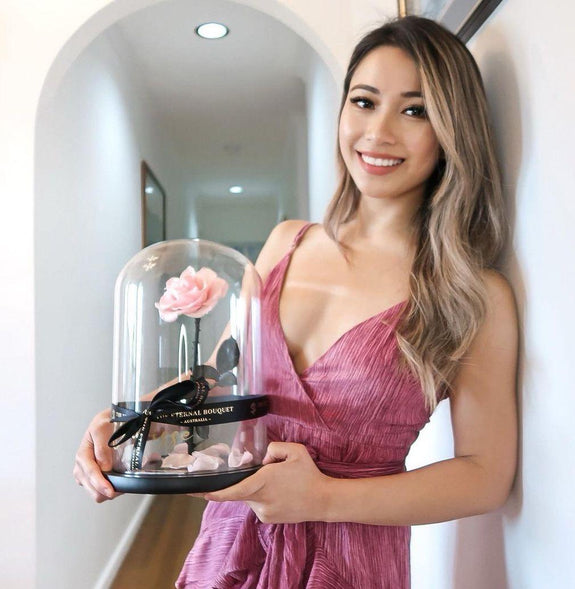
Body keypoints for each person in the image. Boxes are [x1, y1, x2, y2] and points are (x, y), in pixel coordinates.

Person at [74, 15, 518, 589]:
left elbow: (485, 475)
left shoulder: (472, 293)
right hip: (234, 536)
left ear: (453, 129)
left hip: (351, 556)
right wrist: (137, 422)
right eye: (364, 101)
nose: (377, 132)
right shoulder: (288, 242)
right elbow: (219, 378)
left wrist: (323, 497)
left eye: (415, 110)